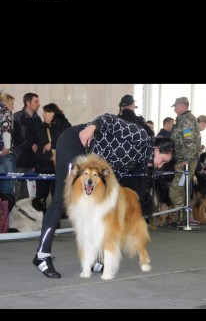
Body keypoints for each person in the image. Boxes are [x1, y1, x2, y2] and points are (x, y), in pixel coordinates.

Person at [32, 113, 175, 278]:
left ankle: (97, 258)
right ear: (157, 149)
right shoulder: (141, 136)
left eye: (164, 164)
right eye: (162, 160)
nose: (160, 166)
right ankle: (41, 255)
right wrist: (92, 127)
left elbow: (111, 180)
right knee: (60, 200)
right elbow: (110, 120)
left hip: (91, 159)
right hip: (75, 142)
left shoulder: (138, 160)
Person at [169, 97, 201, 224]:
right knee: (181, 189)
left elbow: (190, 143)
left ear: (181, 107)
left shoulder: (186, 121)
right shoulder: (184, 120)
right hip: (183, 161)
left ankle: (185, 217)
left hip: (185, 162)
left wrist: (186, 161)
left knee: (175, 190)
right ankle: (184, 218)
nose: (174, 109)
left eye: (175, 106)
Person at [34, 103, 71, 204]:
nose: (43, 115)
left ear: (53, 113)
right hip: (41, 166)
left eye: (46, 112)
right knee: (40, 196)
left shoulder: (64, 125)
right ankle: (41, 217)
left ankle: (55, 219)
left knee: (57, 196)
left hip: (57, 167)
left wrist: (52, 143)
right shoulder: (41, 127)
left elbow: (69, 141)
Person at [13, 93, 42, 201]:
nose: (38, 104)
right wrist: (31, 145)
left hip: (33, 160)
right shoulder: (17, 116)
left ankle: (25, 216)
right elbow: (15, 138)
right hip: (19, 159)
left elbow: (40, 137)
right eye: (36, 101)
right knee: (18, 190)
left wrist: (38, 146)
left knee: (29, 192)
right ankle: (14, 215)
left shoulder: (38, 119)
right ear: (28, 103)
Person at [0, 92, 16, 196]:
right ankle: (4, 212)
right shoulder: (5, 111)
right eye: (11, 104)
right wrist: (7, 148)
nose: (13, 107)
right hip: (5, 155)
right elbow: (6, 129)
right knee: (7, 189)